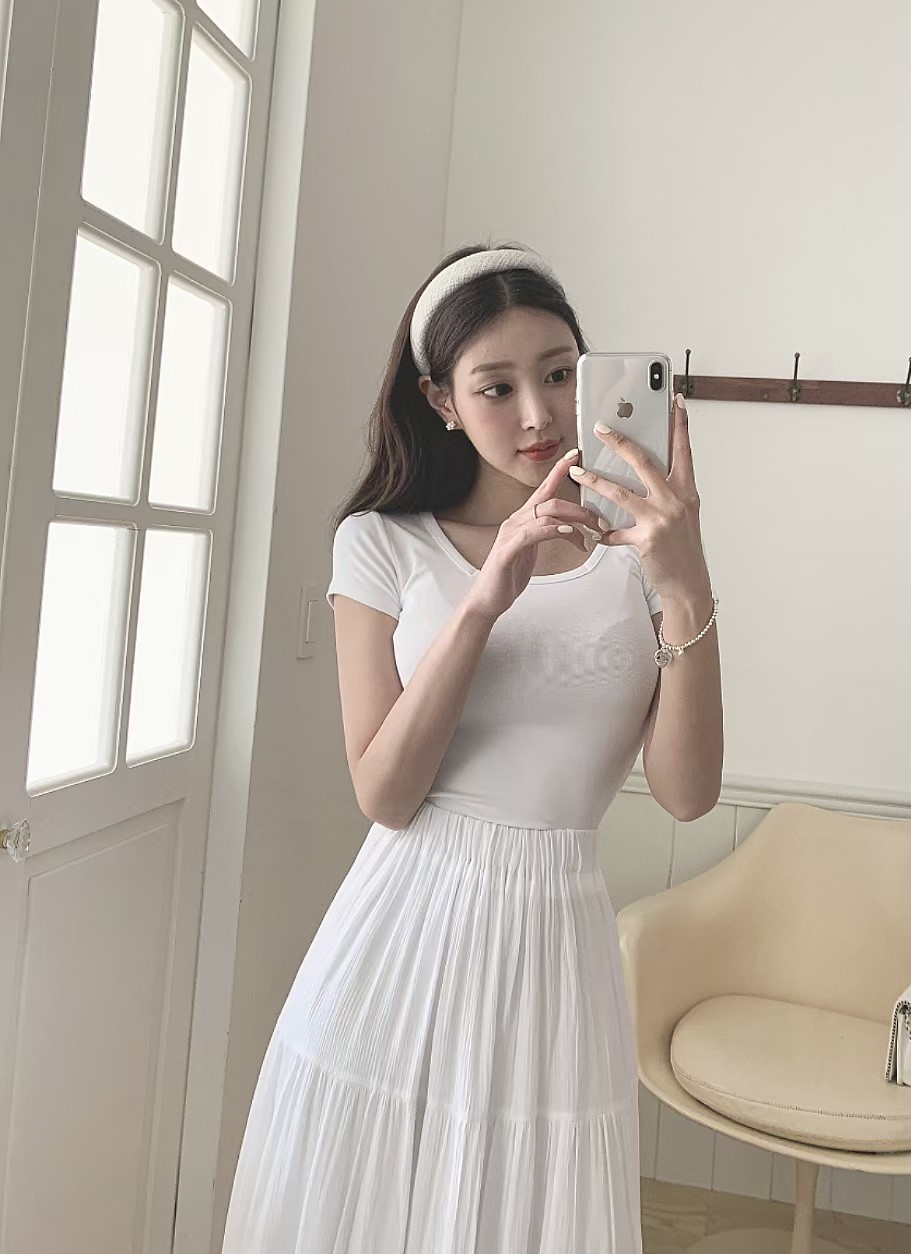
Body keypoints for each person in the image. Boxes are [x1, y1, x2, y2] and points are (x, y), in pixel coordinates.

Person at [221, 241, 723, 1252]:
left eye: (560, 374)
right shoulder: (382, 542)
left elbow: (686, 793)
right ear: (440, 400)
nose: (539, 413)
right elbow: (385, 793)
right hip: (403, 931)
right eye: (497, 387)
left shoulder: (638, 548)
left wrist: (686, 579)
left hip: (558, 941)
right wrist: (488, 594)